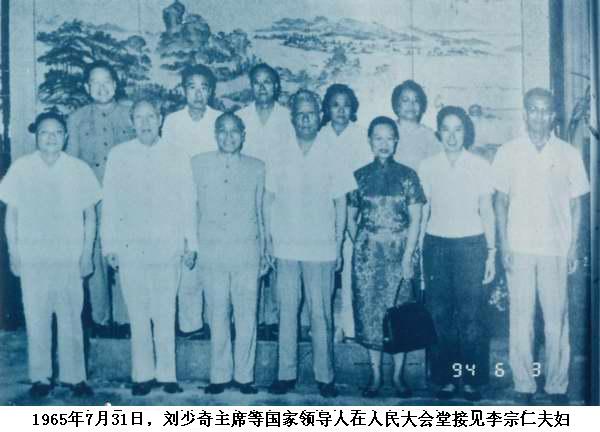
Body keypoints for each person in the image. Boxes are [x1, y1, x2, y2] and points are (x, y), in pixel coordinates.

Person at [493, 88, 590, 405]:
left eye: (545, 110)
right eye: (533, 110)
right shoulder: (508, 152)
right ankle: (523, 384)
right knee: (521, 320)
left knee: (556, 321)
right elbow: (500, 201)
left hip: (555, 247)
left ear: (553, 116)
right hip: (519, 246)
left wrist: (573, 246)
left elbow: (577, 204)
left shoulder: (568, 153)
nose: (539, 116)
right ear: (524, 114)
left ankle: (557, 386)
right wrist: (503, 244)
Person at [102, 98, 198, 396]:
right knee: (138, 313)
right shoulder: (118, 155)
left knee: (165, 310)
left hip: (167, 245)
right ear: (132, 122)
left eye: (151, 117)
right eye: (139, 118)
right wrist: (110, 245)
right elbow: (110, 202)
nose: (145, 123)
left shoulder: (177, 154)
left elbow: (188, 201)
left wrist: (191, 243)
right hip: (131, 246)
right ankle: (142, 375)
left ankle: (168, 374)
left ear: (160, 119)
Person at [0, 112, 100, 398]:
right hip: (33, 257)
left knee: (71, 317)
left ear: (66, 137)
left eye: (57, 132)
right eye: (45, 132)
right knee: (36, 317)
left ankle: (74, 376)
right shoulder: (21, 169)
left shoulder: (78, 169)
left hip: (69, 257)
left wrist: (86, 255)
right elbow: (11, 216)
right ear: (36, 136)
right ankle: (40, 377)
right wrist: (13, 252)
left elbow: (90, 216)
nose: (51, 138)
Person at [265, 89, 355, 398]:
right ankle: (285, 374)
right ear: (292, 118)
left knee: (321, 314)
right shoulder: (279, 150)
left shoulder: (333, 150)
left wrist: (338, 242)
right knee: (287, 312)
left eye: (311, 114)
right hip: (285, 246)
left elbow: (341, 201)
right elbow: (268, 198)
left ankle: (325, 377)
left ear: (320, 117)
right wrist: (269, 239)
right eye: (300, 114)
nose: (305, 119)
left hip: (321, 247)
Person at [418, 106, 496, 401]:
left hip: (471, 246)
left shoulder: (480, 165)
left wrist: (492, 252)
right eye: (446, 129)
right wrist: (418, 251)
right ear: (439, 132)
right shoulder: (428, 166)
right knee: (439, 315)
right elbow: (424, 211)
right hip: (436, 246)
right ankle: (446, 379)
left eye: (458, 129)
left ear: (466, 132)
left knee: (471, 316)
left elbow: (487, 210)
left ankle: (473, 380)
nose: (452, 136)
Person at [347, 116, 425, 398]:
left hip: (400, 255)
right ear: (369, 141)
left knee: (399, 315)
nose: (383, 143)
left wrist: (408, 256)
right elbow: (350, 217)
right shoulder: (359, 176)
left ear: (396, 141)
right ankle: (376, 376)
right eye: (377, 138)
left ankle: (398, 376)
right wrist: (362, 244)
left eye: (389, 137)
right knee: (371, 315)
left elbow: (416, 219)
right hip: (367, 258)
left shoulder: (408, 176)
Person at [192, 112, 267, 395]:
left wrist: (265, 250)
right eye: (222, 130)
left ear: (243, 135)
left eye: (234, 131)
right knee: (217, 313)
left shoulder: (257, 167)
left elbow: (261, 211)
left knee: (247, 314)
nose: (228, 136)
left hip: (247, 250)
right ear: (215, 134)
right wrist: (193, 245)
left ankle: (244, 377)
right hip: (212, 250)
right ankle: (219, 375)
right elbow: (192, 208)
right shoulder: (198, 164)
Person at [66, 60, 135, 338]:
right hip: (91, 200)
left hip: (127, 198)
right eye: (95, 83)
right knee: (94, 256)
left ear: (115, 85)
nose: (102, 88)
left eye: (107, 82)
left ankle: (126, 319)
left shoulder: (131, 114)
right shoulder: (76, 119)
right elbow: (71, 163)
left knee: (126, 254)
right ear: (87, 87)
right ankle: (101, 319)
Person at [162, 64, 221, 340]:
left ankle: (217, 323)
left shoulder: (219, 120)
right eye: (192, 87)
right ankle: (190, 325)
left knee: (213, 262)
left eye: (204, 88)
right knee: (187, 263)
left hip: (213, 200)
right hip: (180, 198)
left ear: (211, 91)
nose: (198, 94)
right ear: (183, 90)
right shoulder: (172, 122)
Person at [237, 63, 293, 340]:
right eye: (257, 82)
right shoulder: (240, 117)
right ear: (251, 86)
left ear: (276, 86)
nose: (262, 87)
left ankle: (274, 319)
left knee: (278, 255)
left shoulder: (288, 118)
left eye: (267, 82)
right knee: (251, 256)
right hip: (247, 196)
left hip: (280, 197)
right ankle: (253, 320)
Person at [319, 83, 371, 342]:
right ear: (327, 108)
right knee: (323, 277)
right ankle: (324, 327)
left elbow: (364, 179)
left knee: (351, 272)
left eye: (346, 105)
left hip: (353, 213)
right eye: (335, 105)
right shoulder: (319, 136)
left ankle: (350, 328)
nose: (341, 110)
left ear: (353, 109)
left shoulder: (361, 137)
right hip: (321, 214)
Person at [390, 80, 442, 171]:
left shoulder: (429, 135)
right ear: (396, 105)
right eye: (405, 100)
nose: (411, 104)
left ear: (421, 106)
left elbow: (437, 167)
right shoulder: (387, 130)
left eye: (416, 100)